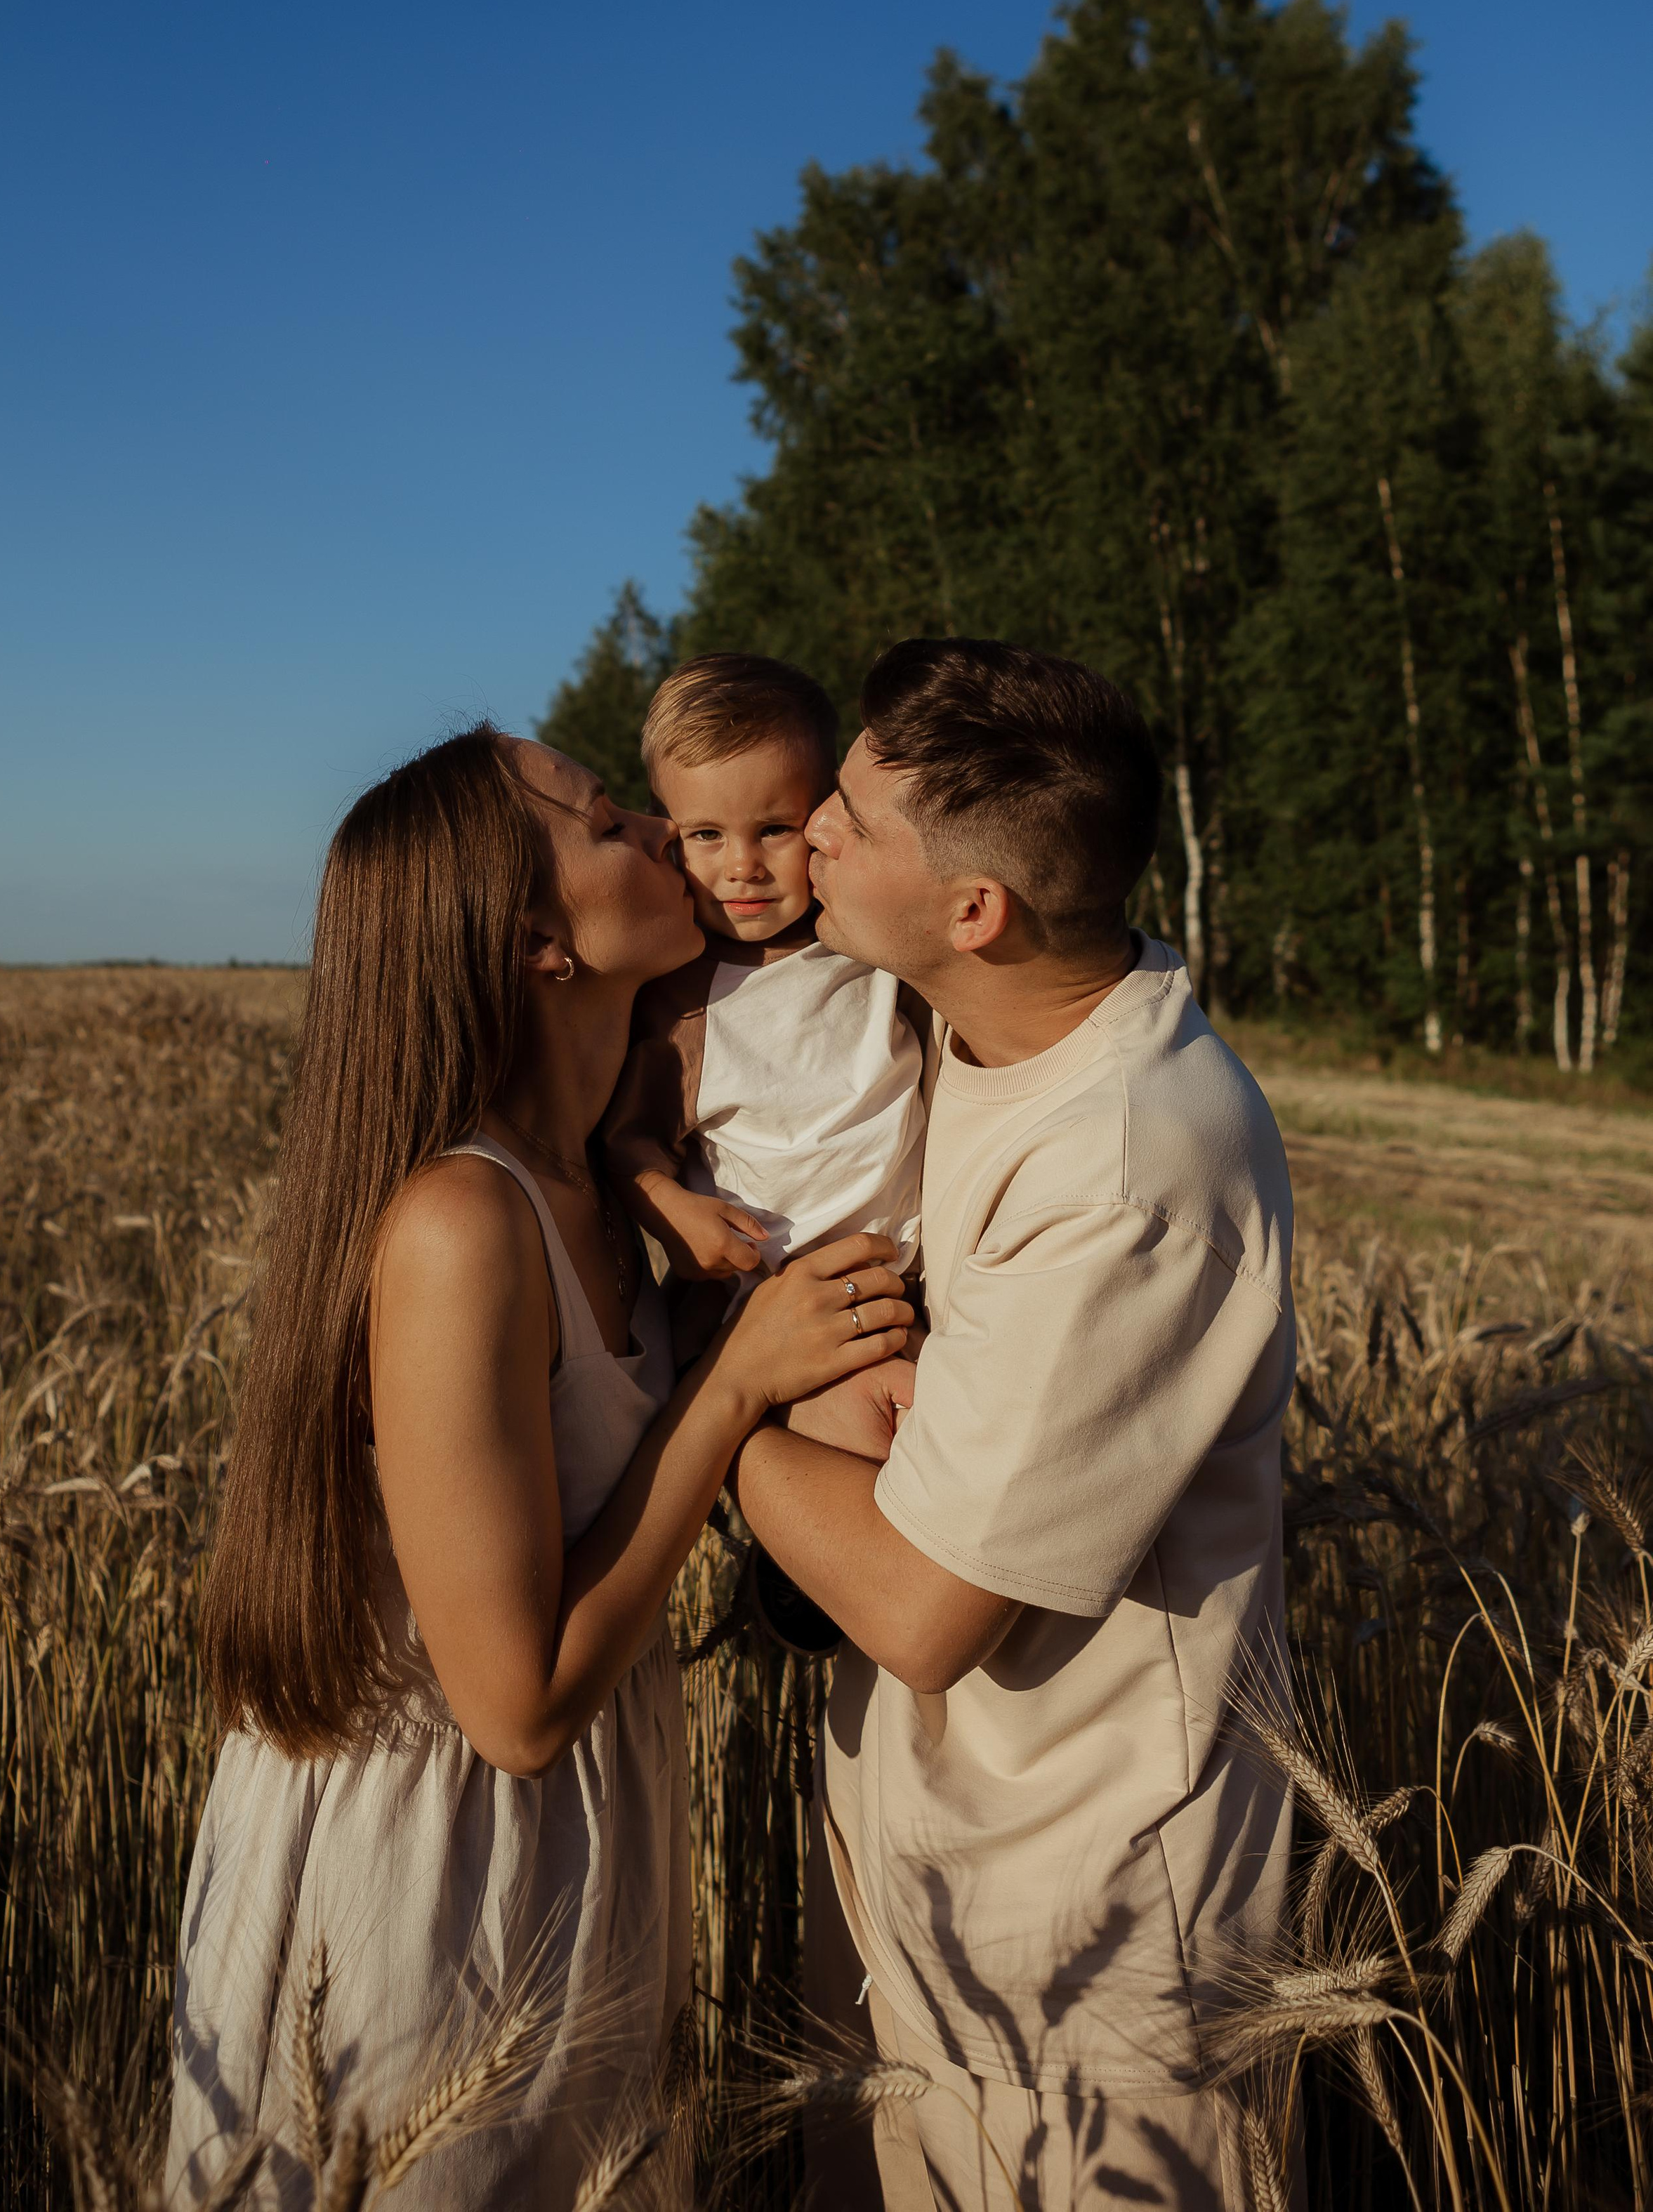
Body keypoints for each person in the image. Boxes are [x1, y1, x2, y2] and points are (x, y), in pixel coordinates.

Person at [165, 725, 913, 2211]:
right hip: (432, 1887)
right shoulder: (462, 1223)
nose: (662, 831)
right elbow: (508, 1705)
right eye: (604, 821)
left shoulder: (602, 1185)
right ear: (534, 945)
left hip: (574, 1845)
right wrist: (735, 1386)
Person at [728, 640, 1296, 2212]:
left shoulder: (1125, 1163)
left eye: (843, 812)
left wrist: (711, 1393)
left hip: (1088, 1945)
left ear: (973, 909)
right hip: (917, 1894)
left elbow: (920, 1610)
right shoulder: (948, 1037)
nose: (803, 834)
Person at [604, 652, 926, 1349]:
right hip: (767, 1305)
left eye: (773, 830)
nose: (742, 866)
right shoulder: (682, 1000)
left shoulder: (867, 940)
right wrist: (672, 1211)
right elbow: (630, 1142)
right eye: (707, 835)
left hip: (917, 1285)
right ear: (669, 833)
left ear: (823, 816)